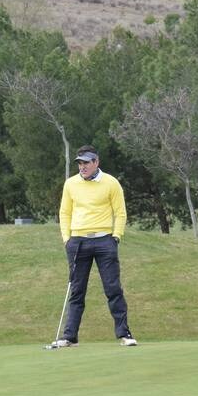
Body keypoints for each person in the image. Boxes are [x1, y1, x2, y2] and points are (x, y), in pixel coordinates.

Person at [53, 146, 136, 348]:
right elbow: (64, 213)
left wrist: (116, 237)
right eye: (80, 163)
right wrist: (67, 239)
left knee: (113, 288)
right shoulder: (71, 184)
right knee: (77, 290)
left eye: (86, 163)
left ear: (96, 162)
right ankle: (70, 336)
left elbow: (120, 212)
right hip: (78, 242)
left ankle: (124, 334)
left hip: (104, 241)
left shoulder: (111, 183)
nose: (82, 167)